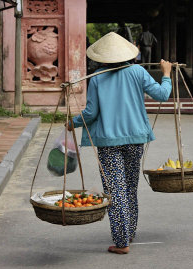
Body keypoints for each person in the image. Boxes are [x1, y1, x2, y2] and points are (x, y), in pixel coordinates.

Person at [68, 32, 172, 254]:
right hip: (135, 140)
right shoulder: (138, 71)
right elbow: (163, 94)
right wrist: (167, 74)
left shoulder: (96, 77)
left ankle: (122, 241)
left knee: (115, 190)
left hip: (109, 142)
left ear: (102, 57)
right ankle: (128, 232)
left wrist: (73, 123)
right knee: (130, 188)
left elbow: (91, 113)